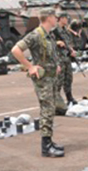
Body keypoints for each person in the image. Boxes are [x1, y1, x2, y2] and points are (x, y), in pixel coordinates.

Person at [11, 8, 65, 157]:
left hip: (51, 77)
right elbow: (16, 50)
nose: (57, 19)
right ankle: (46, 146)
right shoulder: (35, 35)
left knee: (51, 109)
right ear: (48, 18)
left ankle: (49, 141)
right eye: (55, 16)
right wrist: (30, 66)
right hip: (43, 80)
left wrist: (56, 65)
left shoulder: (48, 35)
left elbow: (49, 54)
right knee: (47, 110)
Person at [53, 12, 77, 107]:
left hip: (67, 57)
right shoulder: (54, 30)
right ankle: (56, 100)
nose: (67, 20)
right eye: (66, 18)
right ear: (61, 18)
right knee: (59, 80)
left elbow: (69, 42)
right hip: (59, 58)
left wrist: (71, 50)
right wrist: (57, 42)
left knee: (68, 78)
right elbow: (47, 42)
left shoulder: (66, 30)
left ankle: (69, 97)